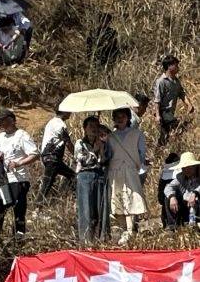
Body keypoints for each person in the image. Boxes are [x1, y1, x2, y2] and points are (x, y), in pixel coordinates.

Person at [0, 110, 39, 235]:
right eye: (0, 121)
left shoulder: (21, 135)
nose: (1, 123)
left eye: (4, 120)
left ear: (12, 120)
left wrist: (18, 163)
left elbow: (35, 154)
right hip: (1, 179)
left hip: (18, 178)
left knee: (18, 210)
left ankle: (19, 239)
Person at [108, 105, 149, 242]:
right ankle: (124, 228)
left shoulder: (137, 134)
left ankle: (131, 230)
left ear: (128, 118)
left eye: (123, 117)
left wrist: (137, 164)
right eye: (117, 117)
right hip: (115, 171)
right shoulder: (110, 136)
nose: (120, 119)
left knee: (132, 198)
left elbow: (142, 153)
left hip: (130, 170)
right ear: (113, 118)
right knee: (117, 199)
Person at [76, 115, 110, 241]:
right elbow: (82, 160)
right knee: (86, 208)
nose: (93, 129)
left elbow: (105, 160)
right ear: (85, 129)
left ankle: (101, 237)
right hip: (85, 176)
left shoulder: (101, 142)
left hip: (99, 175)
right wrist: (94, 151)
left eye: (96, 126)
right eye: (90, 126)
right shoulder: (80, 143)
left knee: (100, 207)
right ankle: (86, 239)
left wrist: (101, 149)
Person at [155, 55, 187, 146]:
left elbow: (181, 93)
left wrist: (188, 104)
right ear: (169, 67)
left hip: (170, 112)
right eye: (176, 65)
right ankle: (177, 145)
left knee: (165, 133)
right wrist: (157, 115)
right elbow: (157, 99)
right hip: (163, 111)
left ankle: (159, 150)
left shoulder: (176, 81)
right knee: (176, 125)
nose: (178, 68)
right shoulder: (161, 81)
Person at [165, 151, 200, 227]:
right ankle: (173, 227)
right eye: (184, 168)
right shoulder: (181, 176)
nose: (186, 170)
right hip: (187, 206)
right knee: (168, 197)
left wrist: (195, 193)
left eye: (189, 167)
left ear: (195, 166)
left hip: (197, 206)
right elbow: (169, 187)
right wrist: (172, 197)